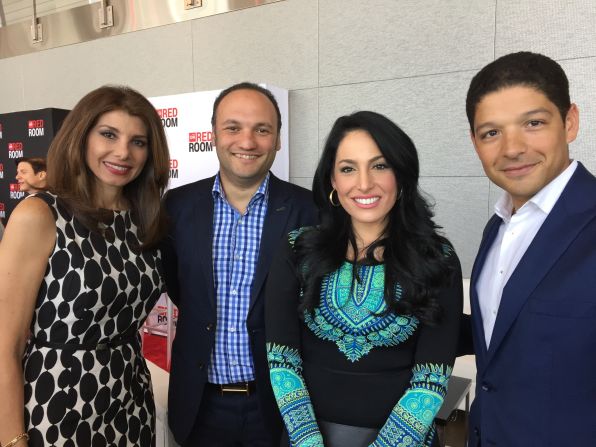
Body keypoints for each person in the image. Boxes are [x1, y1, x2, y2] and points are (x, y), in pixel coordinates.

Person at [265, 111, 463, 447]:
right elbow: (283, 361)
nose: (364, 183)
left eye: (380, 165)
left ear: (401, 174)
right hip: (305, 440)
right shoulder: (298, 248)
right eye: (348, 168)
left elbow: (430, 379)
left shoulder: (436, 257)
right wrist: (309, 443)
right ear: (332, 181)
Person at [0, 85, 170, 447]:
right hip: (57, 401)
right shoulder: (40, 214)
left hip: (130, 398)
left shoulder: (145, 220)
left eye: (138, 141)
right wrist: (12, 439)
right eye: (108, 134)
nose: (123, 151)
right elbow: (5, 344)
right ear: (81, 137)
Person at [161, 82, 317, 446]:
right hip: (199, 405)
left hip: (279, 407)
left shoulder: (311, 212)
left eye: (262, 130)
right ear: (213, 134)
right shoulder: (178, 207)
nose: (247, 142)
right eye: (233, 128)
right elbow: (178, 286)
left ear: (277, 139)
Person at [465, 51, 596, 446]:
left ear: (569, 122)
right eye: (491, 132)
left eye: (533, 123)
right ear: (475, 142)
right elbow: (502, 335)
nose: (512, 148)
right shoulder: (498, 227)